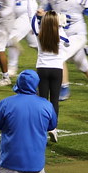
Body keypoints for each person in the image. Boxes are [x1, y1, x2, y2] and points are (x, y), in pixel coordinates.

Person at [31, 10, 67, 142]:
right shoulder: (61, 34)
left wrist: (37, 15)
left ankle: (40, 131)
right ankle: (52, 128)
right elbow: (67, 41)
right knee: (54, 100)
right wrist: (61, 26)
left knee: (42, 100)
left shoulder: (40, 33)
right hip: (57, 69)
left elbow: (32, 21)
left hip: (42, 69)